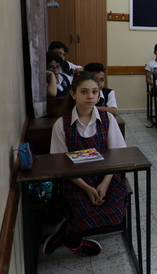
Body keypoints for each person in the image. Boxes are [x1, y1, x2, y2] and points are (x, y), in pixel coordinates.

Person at [44, 72, 128, 256]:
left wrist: (104, 184)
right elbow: (60, 165)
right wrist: (88, 188)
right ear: (73, 94)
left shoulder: (107, 119)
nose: (90, 96)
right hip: (75, 179)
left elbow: (118, 156)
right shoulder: (62, 124)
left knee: (115, 210)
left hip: (105, 175)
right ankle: (73, 238)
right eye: (84, 92)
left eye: (94, 92)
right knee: (82, 206)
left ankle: (67, 231)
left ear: (99, 95)